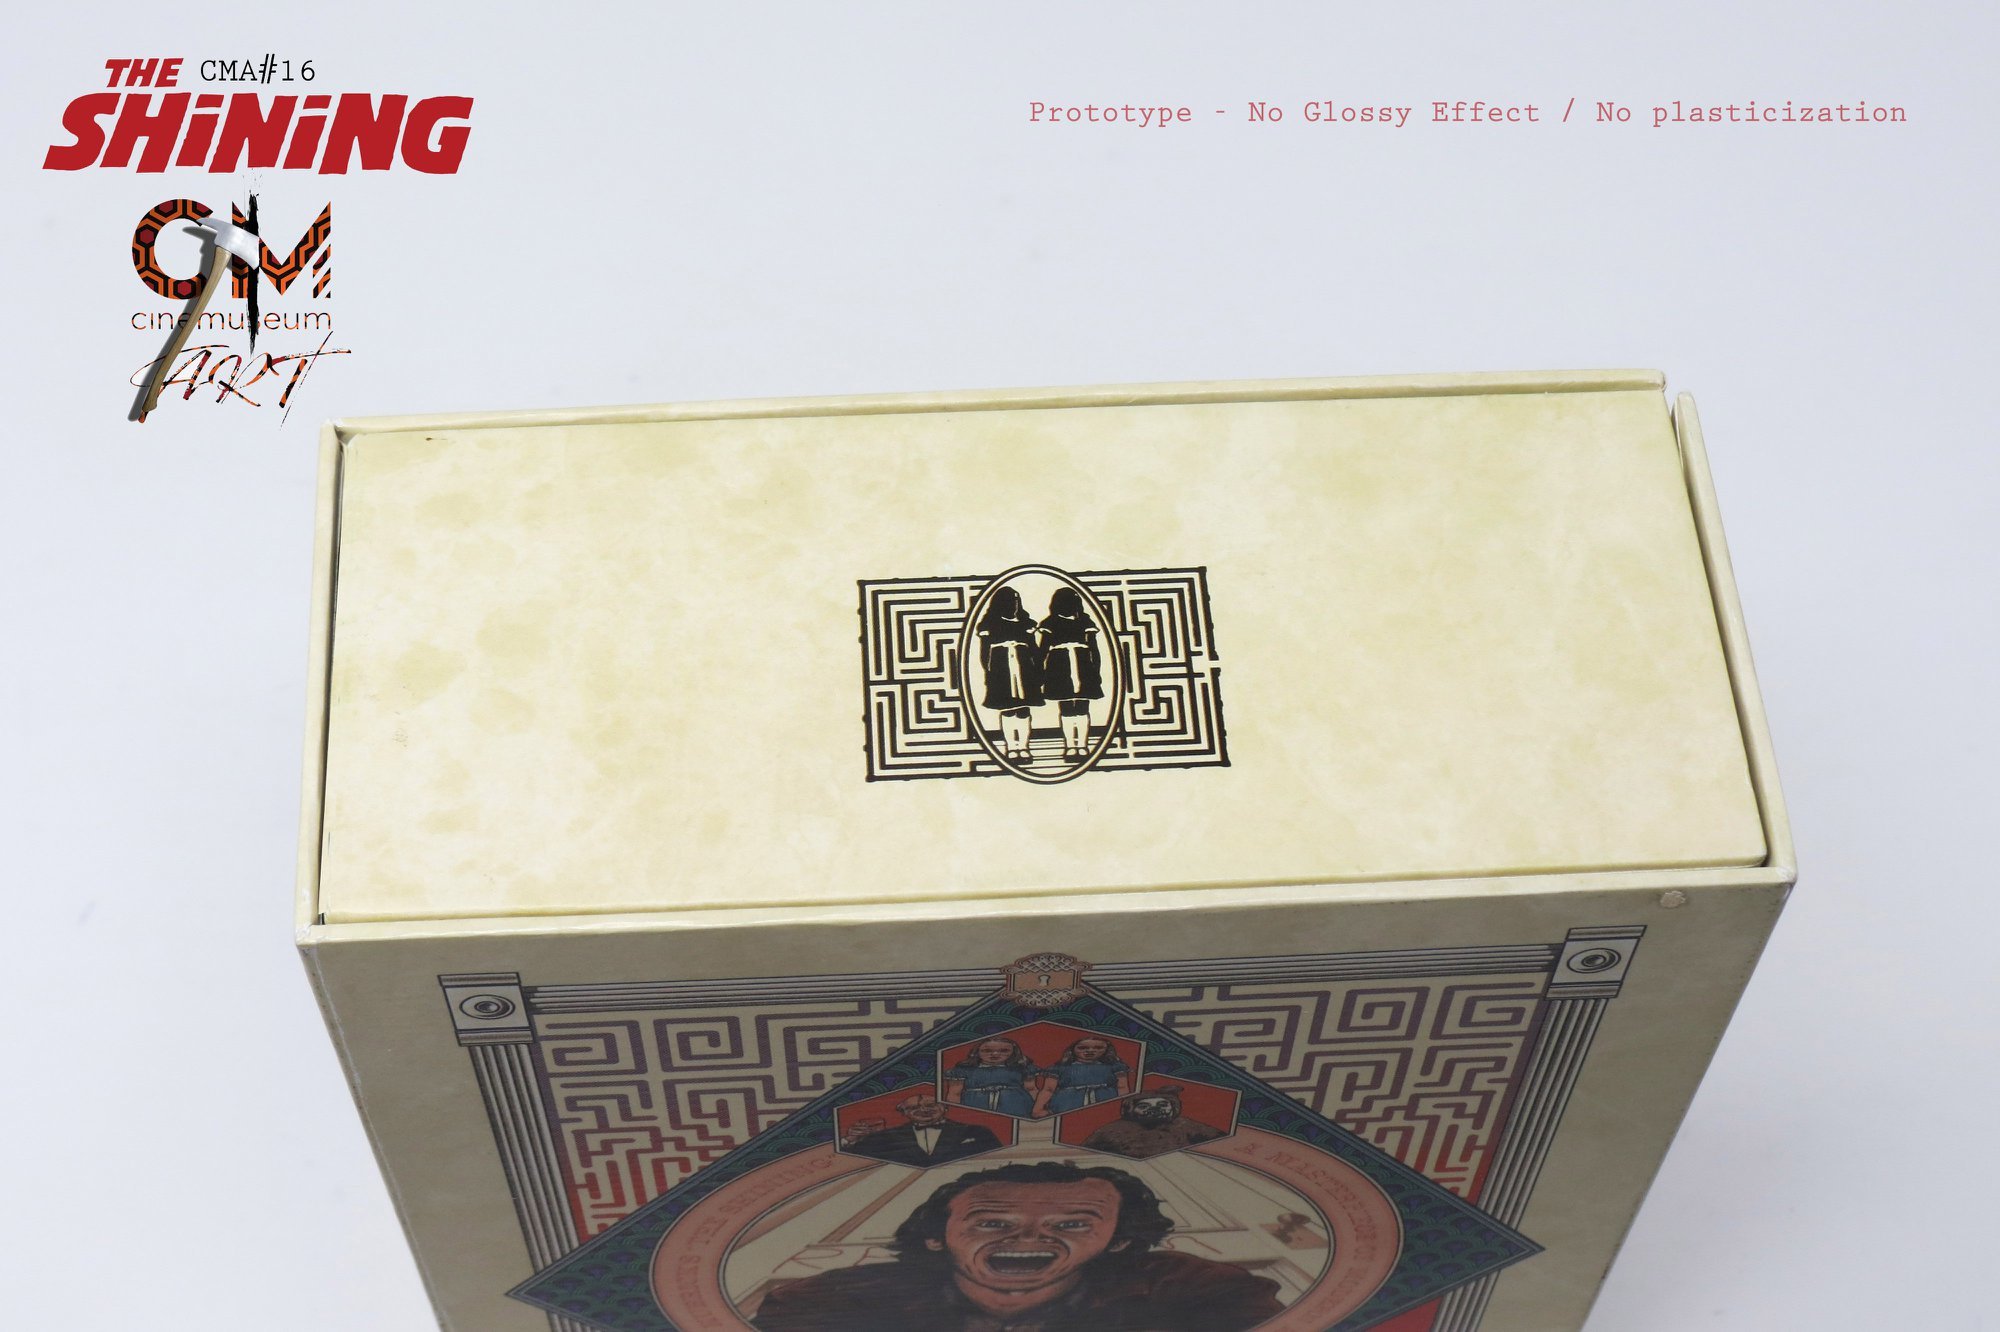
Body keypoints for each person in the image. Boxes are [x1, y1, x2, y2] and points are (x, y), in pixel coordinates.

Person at [750, 1161, 1284, 1332]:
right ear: (936, 1236)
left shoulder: (1181, 1286)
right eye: (991, 1222)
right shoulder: (840, 1299)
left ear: (1119, 1240)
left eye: (1072, 1223)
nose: (1029, 1238)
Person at [844, 1091, 1004, 1168]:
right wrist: (850, 1140)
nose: (923, 1110)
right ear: (904, 1113)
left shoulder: (976, 1132)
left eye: (930, 1105)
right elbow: (855, 1162)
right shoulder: (885, 1137)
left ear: (945, 1107)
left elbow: (999, 1161)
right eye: (914, 1108)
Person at [1035, 587, 1105, 758]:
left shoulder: (1085, 622)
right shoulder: (1050, 623)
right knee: (1066, 707)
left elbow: (1094, 650)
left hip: (1083, 665)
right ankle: (1070, 746)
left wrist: (1096, 670)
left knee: (1082, 706)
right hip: (1059, 665)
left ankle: (1082, 744)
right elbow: (1043, 650)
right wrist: (1039, 671)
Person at [975, 585, 1042, 760]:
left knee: (1023, 709)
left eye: (1016, 601)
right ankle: (1012, 747)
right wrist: (990, 673)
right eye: (1010, 601)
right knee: (1007, 709)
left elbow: (1034, 650)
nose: (1013, 605)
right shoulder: (989, 626)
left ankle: (1024, 747)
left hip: (1024, 669)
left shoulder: (1026, 624)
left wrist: (1038, 672)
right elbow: (984, 653)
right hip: (1002, 669)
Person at [1081, 1087, 1224, 1160]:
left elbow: (1220, 1141)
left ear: (1173, 1108)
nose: (1155, 1110)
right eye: (1144, 1106)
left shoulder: (1184, 1124)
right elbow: (1084, 1154)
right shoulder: (1112, 1130)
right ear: (1130, 1110)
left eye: (1162, 1105)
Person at [1034, 1035, 1133, 1116]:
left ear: (1107, 1049)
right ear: (1072, 1048)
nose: (1090, 1051)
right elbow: (1048, 1089)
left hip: (1105, 1102)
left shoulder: (1115, 1067)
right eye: (1082, 1048)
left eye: (1098, 1048)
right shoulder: (1059, 1068)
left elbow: (1122, 1087)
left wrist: (1124, 1106)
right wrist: (1038, 1109)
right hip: (1067, 1104)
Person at [942, 1036, 1040, 1117]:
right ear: (976, 1051)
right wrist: (955, 1113)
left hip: (1016, 1105)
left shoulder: (1021, 1068)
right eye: (987, 1050)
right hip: (974, 1105)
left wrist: (1037, 1109)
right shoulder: (963, 1070)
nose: (995, 1054)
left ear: (1014, 1052)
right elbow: (954, 1094)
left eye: (1004, 1050)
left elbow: (1031, 1089)